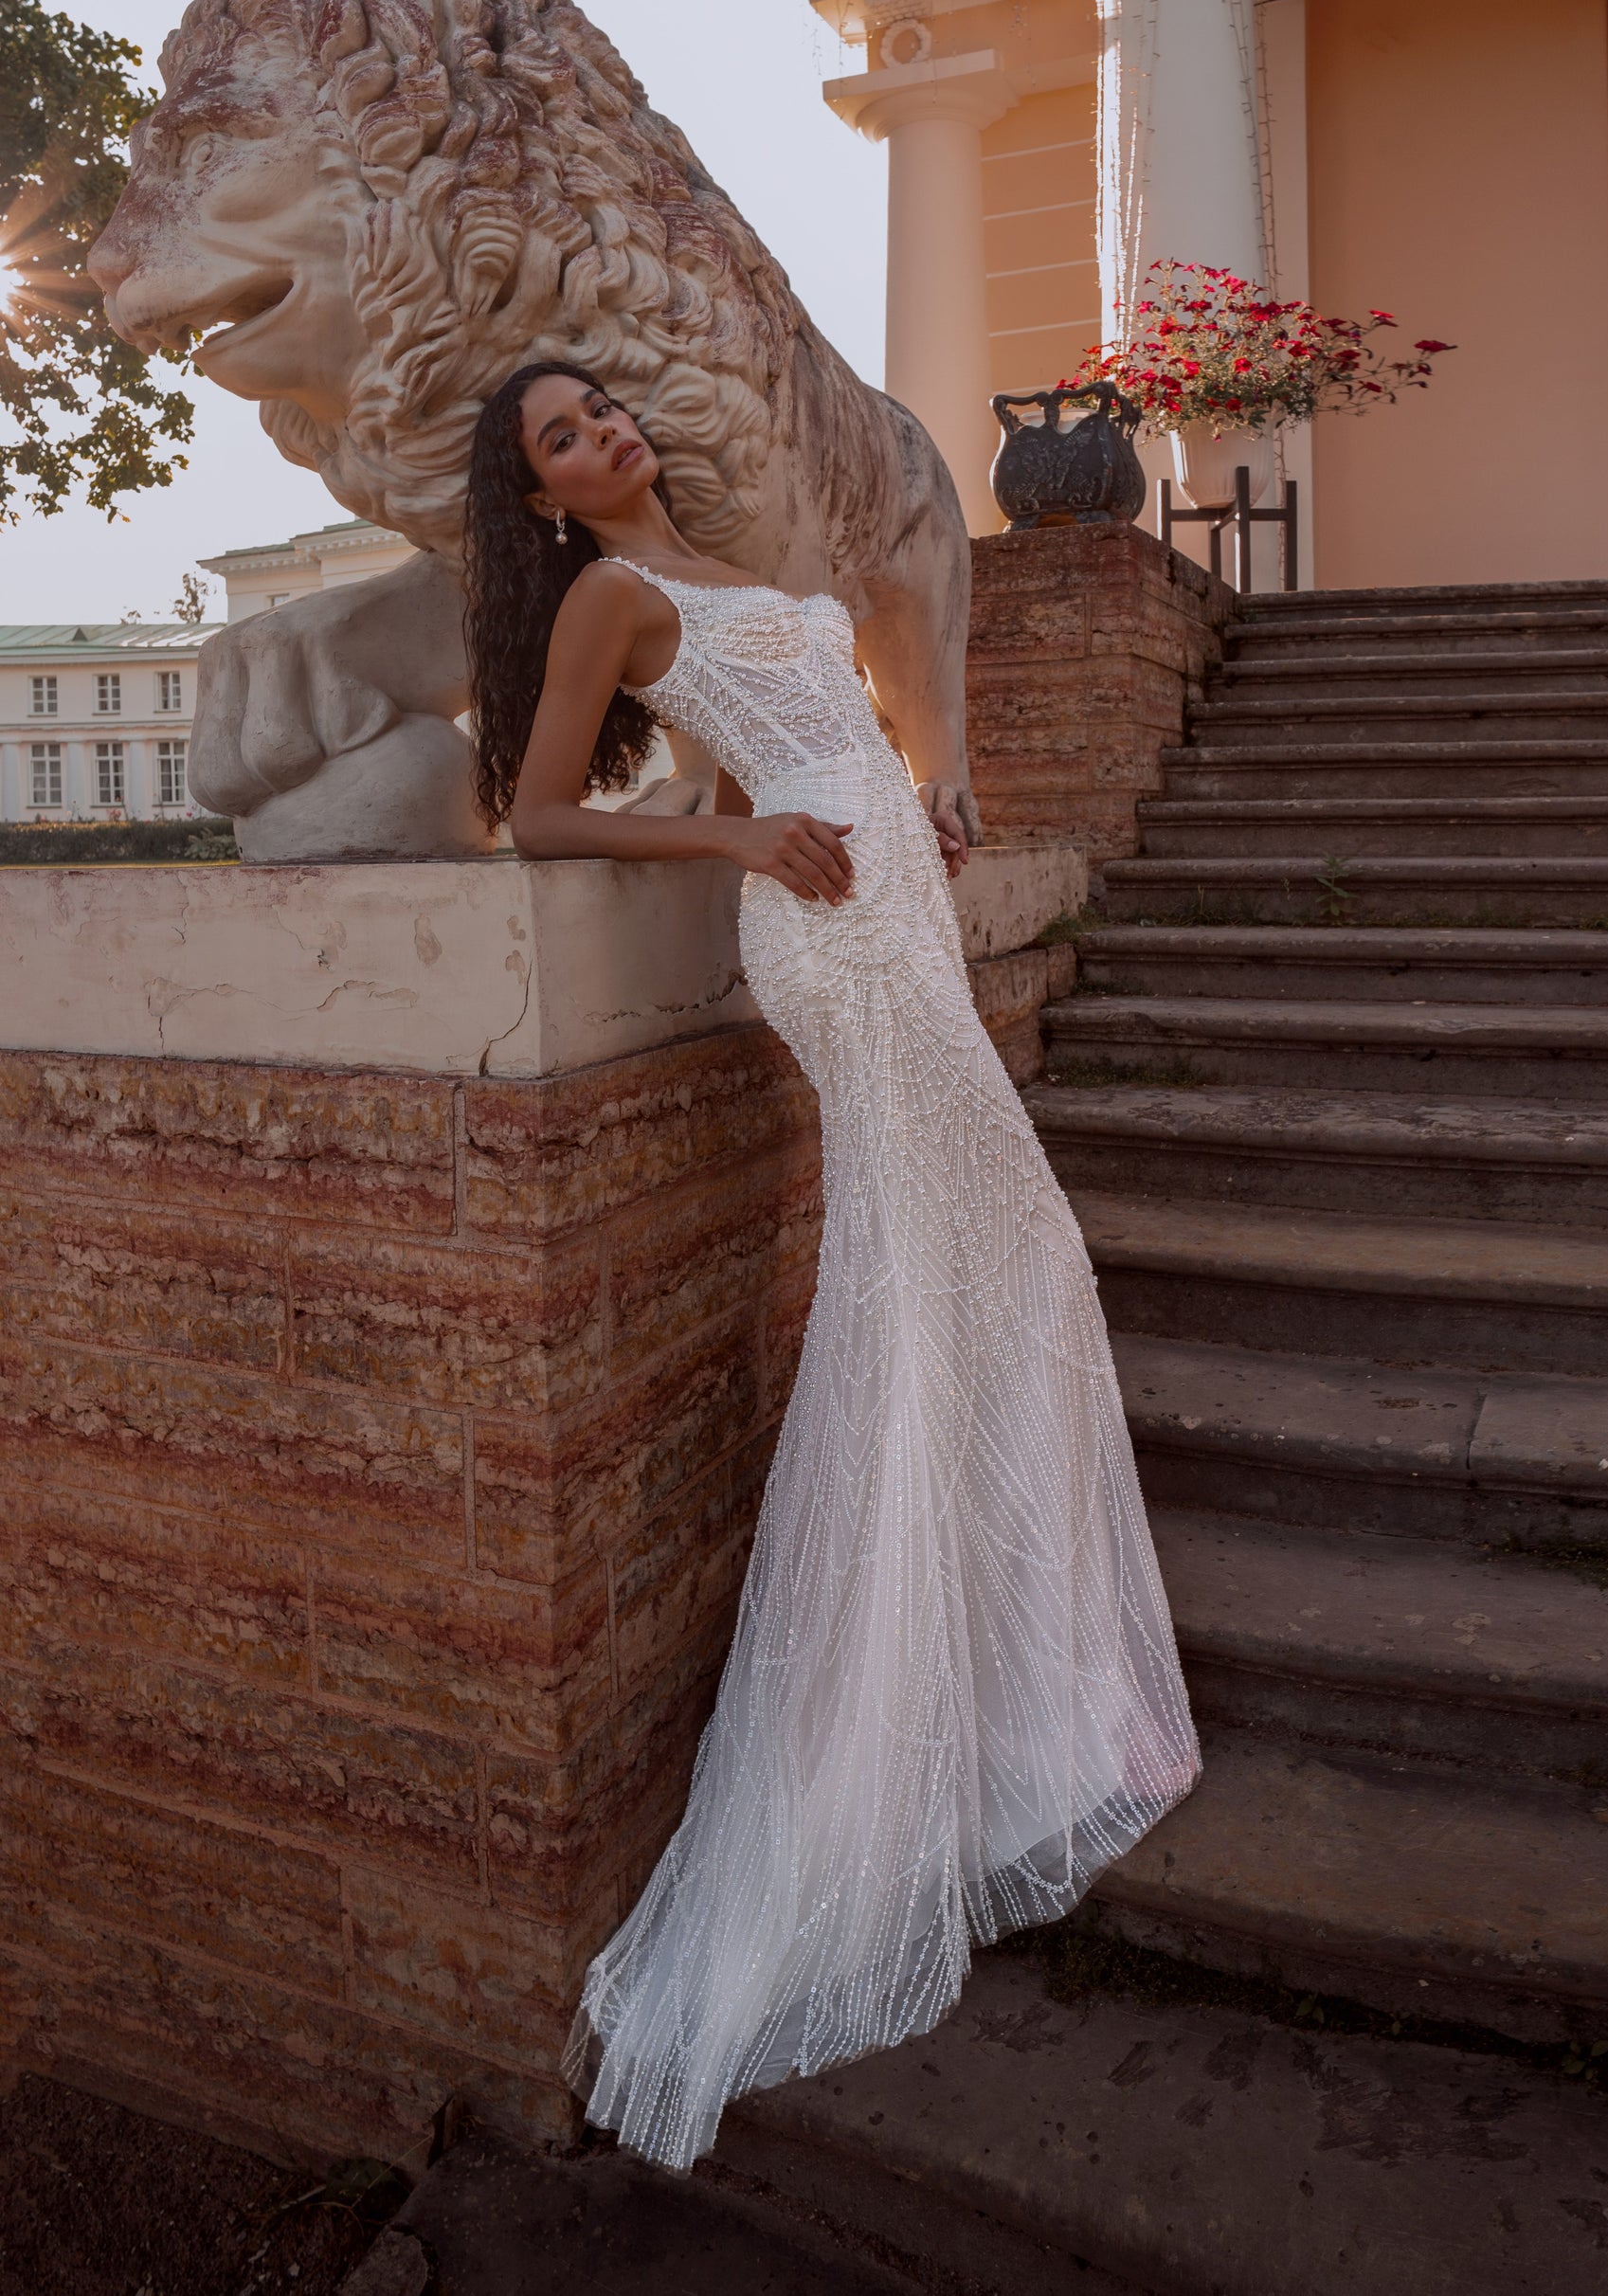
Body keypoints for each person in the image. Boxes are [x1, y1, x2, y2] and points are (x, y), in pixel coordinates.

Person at [462, 359, 1200, 2171]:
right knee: (961, 1271)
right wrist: (741, 831)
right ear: (543, 495)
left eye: (600, 409)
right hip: (829, 944)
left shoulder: (705, 564)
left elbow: (810, 725)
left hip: (895, 909)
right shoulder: (605, 599)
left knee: (987, 1269)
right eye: (562, 435)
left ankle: (1011, 1697)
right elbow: (542, 814)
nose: (603, 434)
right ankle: (918, 1737)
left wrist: (913, 797)